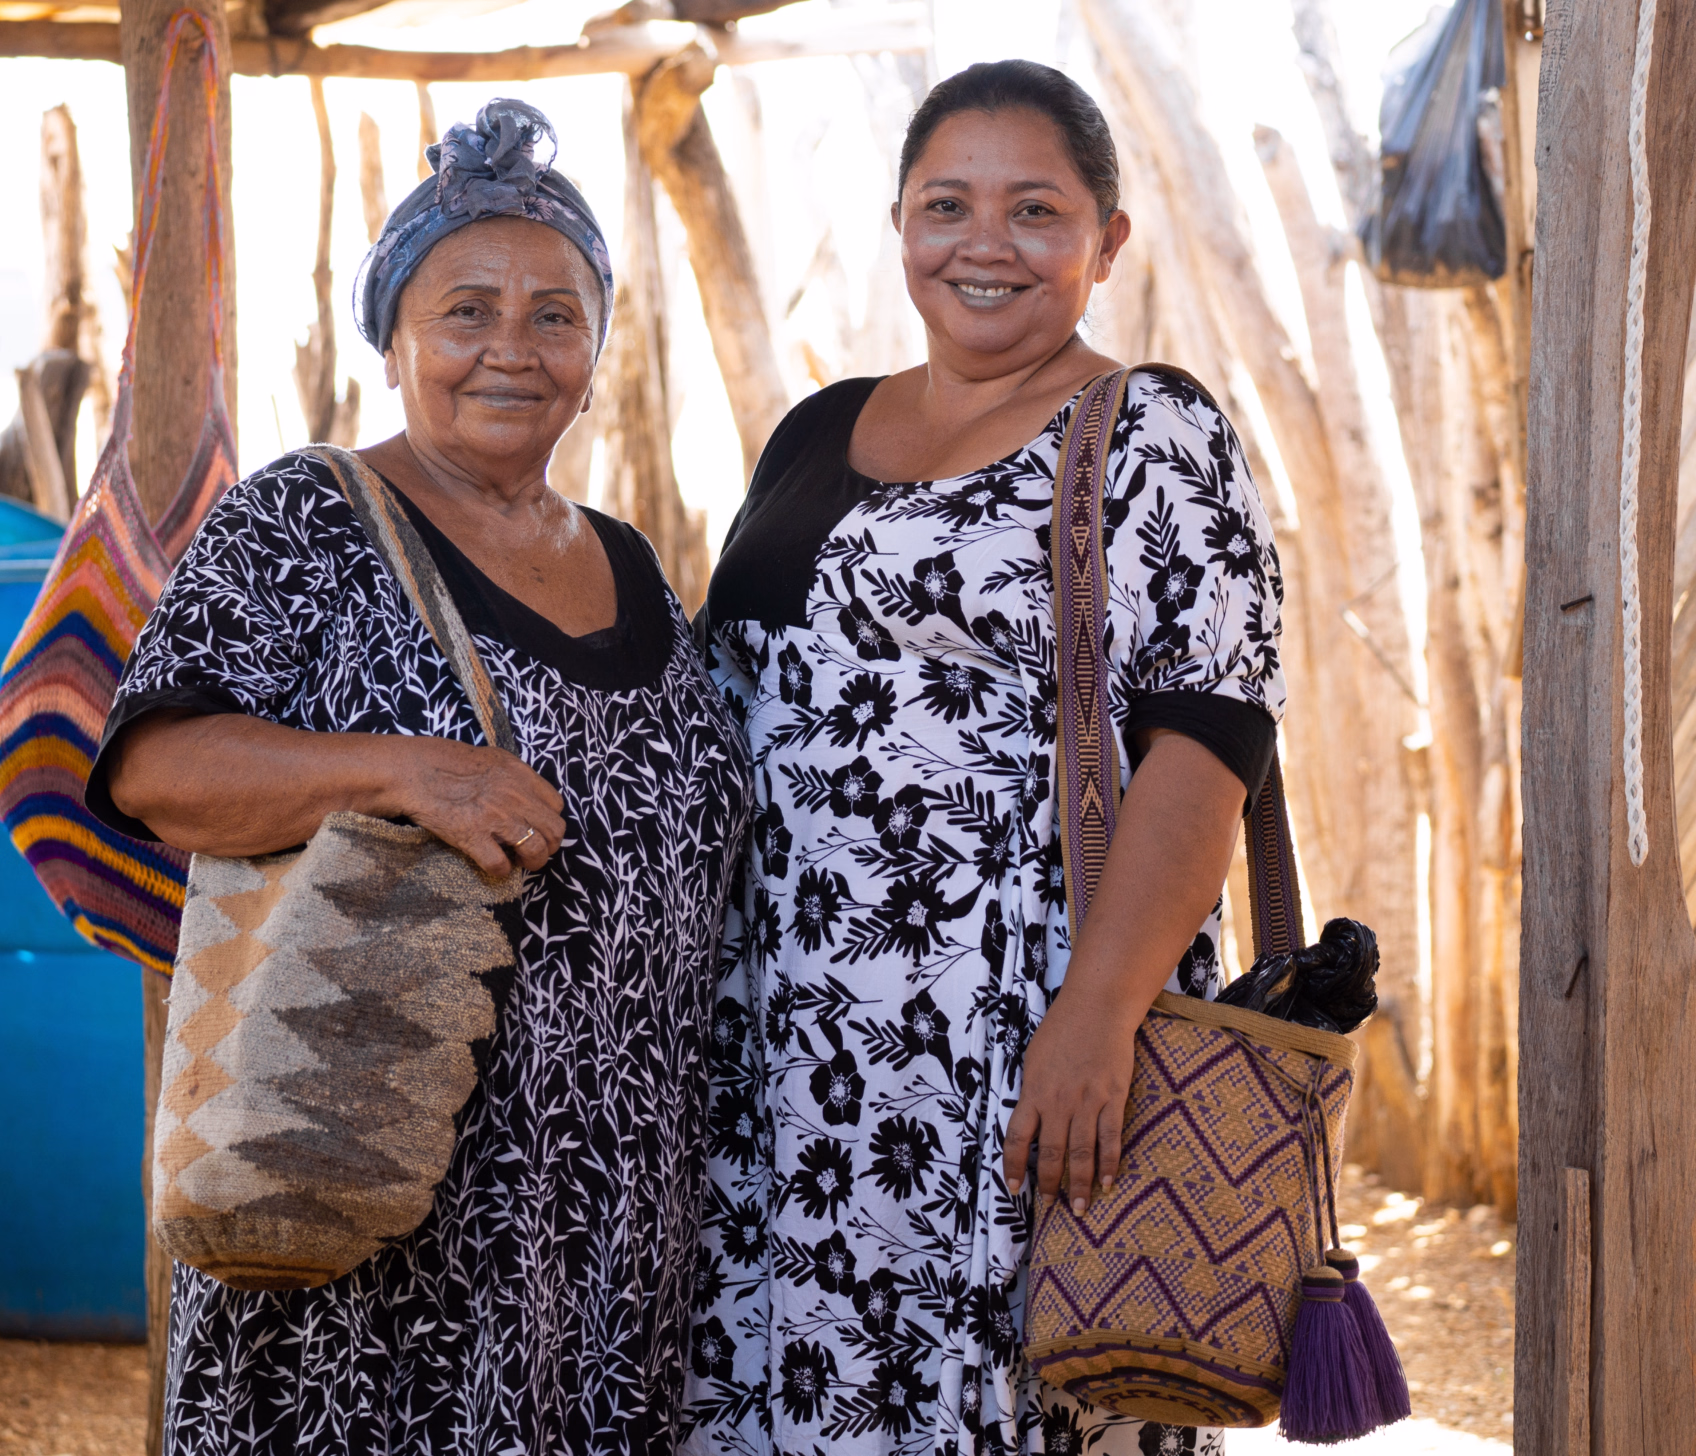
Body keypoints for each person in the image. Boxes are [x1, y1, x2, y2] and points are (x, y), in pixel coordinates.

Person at [89, 99, 751, 1455]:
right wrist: (405, 773)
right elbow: (157, 766)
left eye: (555, 314)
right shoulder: (305, 520)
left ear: (595, 349)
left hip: (610, 1244)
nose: (511, 347)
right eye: (465, 311)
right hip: (368, 1214)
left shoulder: (633, 564)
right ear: (393, 337)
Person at [682, 61, 1283, 1456]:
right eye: (947, 206)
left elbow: (1208, 747)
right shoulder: (815, 428)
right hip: (782, 1044)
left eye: (1036, 211)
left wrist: (1098, 1017)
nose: (985, 245)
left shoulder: (1155, 435)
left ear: (1106, 241)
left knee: (994, 1399)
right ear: (901, 225)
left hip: (1005, 1049)